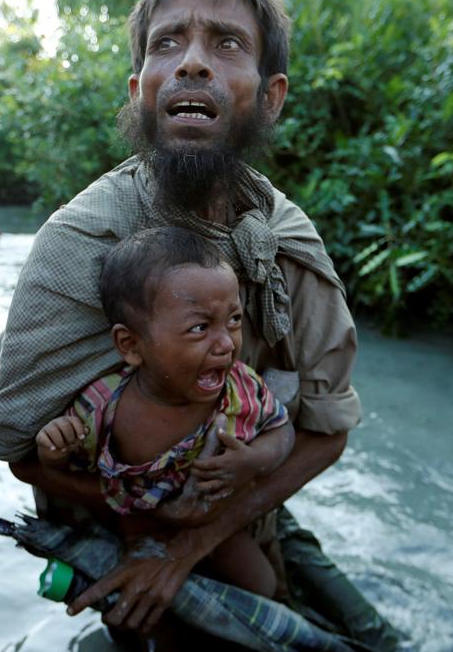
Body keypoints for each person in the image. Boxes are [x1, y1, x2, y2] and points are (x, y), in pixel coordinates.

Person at [0, 0, 400, 652]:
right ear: (140, 88)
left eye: (226, 44)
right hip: (116, 527)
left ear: (270, 97)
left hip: (241, 502)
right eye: (167, 44)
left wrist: (197, 537)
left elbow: (326, 428)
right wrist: (150, 524)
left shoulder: (284, 241)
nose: (192, 64)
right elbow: (21, 450)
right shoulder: (82, 244)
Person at [37, 227, 295, 601]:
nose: (227, 343)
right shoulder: (102, 406)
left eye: (234, 320)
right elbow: (63, 466)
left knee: (261, 585)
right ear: (132, 345)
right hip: (131, 529)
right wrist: (53, 449)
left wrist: (253, 460)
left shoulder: (239, 389)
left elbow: (282, 431)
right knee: (142, 611)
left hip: (213, 523)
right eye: (200, 327)